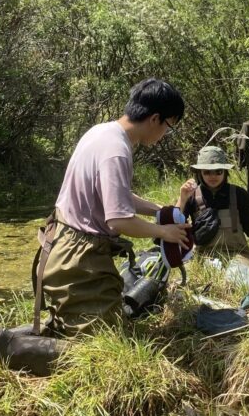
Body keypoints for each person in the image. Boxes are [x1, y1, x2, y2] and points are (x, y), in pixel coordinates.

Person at [40, 78, 191, 337]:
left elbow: (116, 195)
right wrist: (165, 232)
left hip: (61, 243)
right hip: (79, 257)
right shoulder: (117, 151)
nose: (165, 134)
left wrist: (158, 209)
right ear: (155, 119)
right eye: (169, 126)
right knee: (100, 341)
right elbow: (119, 221)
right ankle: (6, 346)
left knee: (82, 326)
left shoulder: (102, 132)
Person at [175, 145, 249, 266]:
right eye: (207, 172)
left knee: (242, 277)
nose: (213, 176)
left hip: (237, 255)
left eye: (218, 171)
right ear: (200, 173)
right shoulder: (191, 196)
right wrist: (182, 199)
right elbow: (174, 226)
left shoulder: (239, 194)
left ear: (225, 171)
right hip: (203, 255)